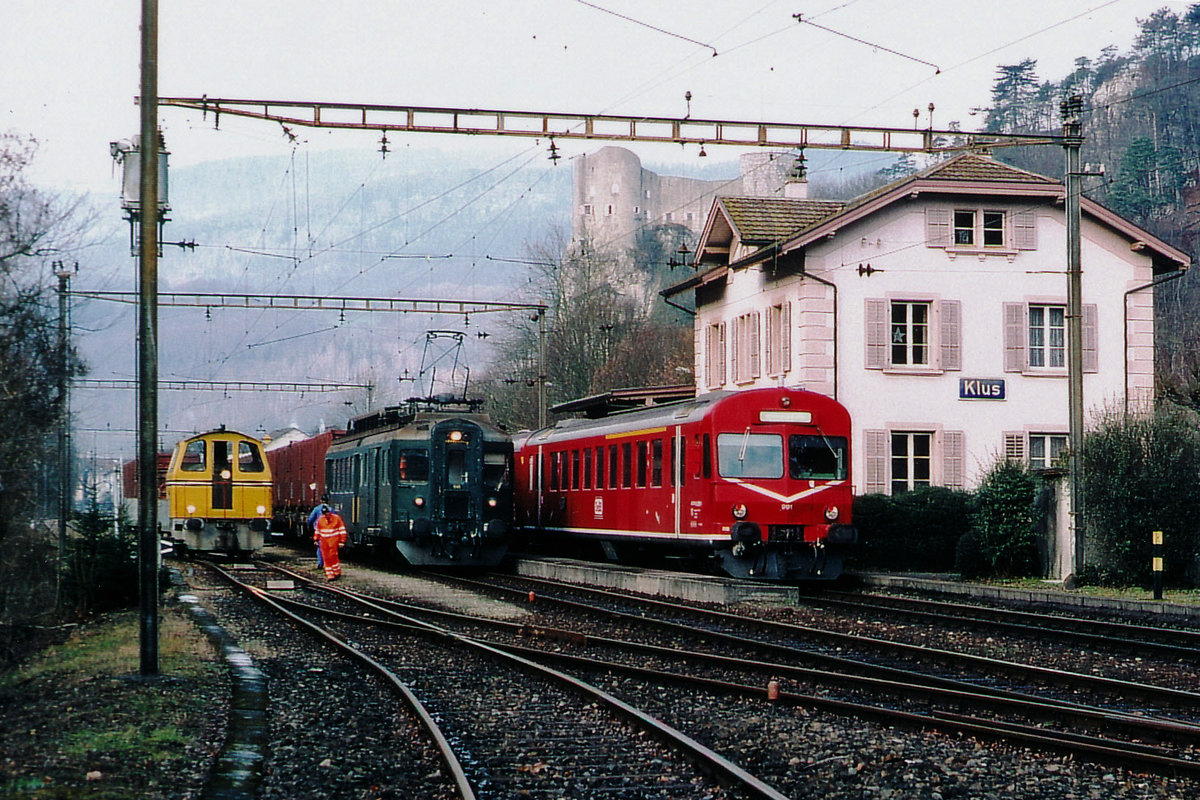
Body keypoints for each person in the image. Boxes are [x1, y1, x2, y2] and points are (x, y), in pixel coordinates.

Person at [313, 504, 348, 581]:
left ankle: (337, 572)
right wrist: (316, 539)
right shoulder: (320, 520)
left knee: (333, 556)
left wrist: (342, 541)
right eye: (325, 514)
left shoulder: (337, 519)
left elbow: (342, 530)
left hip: (333, 541)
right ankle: (330, 575)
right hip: (324, 542)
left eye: (327, 513)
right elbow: (317, 530)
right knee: (326, 558)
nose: (326, 515)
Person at [307, 499, 329, 568]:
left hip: (319, 531)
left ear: (321, 500)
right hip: (329, 532)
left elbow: (310, 519)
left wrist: (309, 526)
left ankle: (320, 563)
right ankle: (327, 563)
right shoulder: (331, 509)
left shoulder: (316, 509)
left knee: (320, 548)